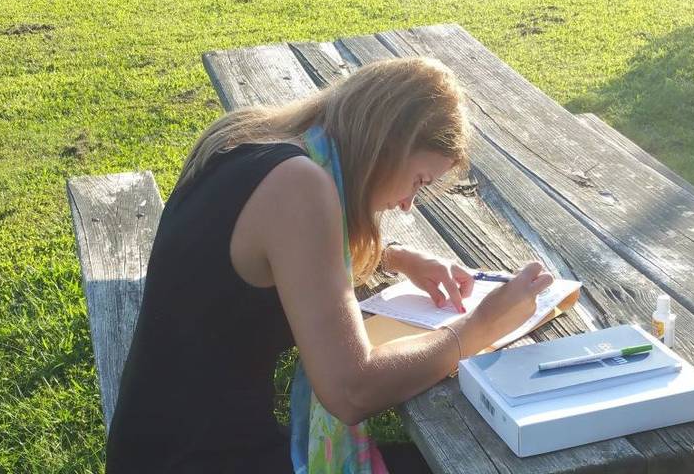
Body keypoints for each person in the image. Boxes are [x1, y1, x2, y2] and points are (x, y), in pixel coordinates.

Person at [105, 56, 554, 473]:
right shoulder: (300, 187)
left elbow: (264, 250)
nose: (406, 204)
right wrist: (480, 326)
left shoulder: (251, 138)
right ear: (388, 143)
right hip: (199, 460)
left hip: (157, 444)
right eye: (418, 180)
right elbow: (351, 391)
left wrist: (393, 256)